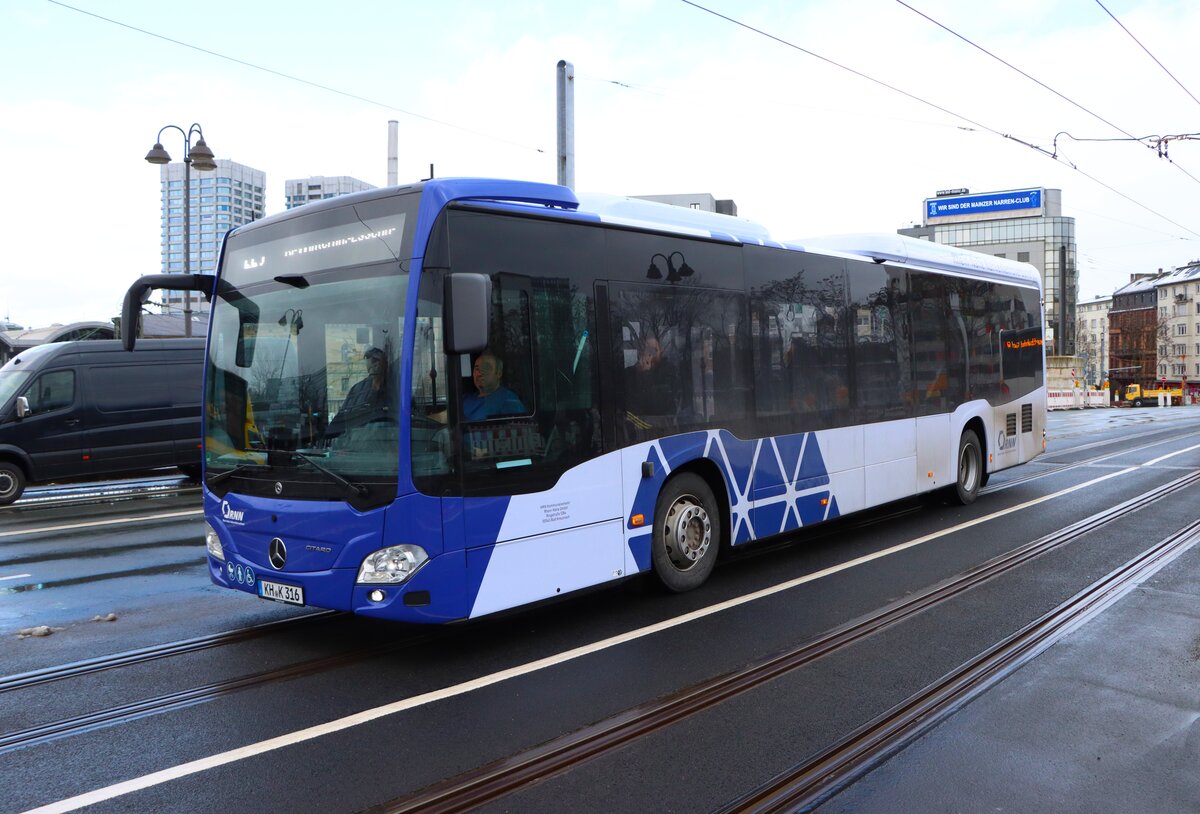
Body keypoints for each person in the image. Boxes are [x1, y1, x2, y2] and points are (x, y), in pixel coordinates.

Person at [326, 347, 389, 439]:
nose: (376, 366)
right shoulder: (359, 389)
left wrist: (327, 436)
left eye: (377, 362)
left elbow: (341, 419)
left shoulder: (359, 389)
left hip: (364, 442)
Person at [462, 350, 525, 420]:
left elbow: (520, 428)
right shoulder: (464, 398)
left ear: (499, 373)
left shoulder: (508, 400)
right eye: (477, 369)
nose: (479, 374)